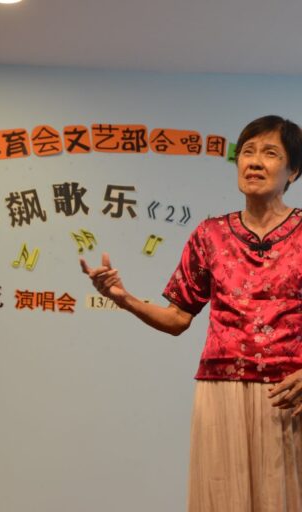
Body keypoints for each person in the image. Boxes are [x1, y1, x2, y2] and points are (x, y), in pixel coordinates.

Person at [80, 115, 302, 512]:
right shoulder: (209, 234)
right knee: (223, 499)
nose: (254, 162)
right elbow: (178, 318)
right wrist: (124, 298)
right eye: (247, 152)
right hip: (221, 391)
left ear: (293, 171)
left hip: (289, 393)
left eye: (270, 153)